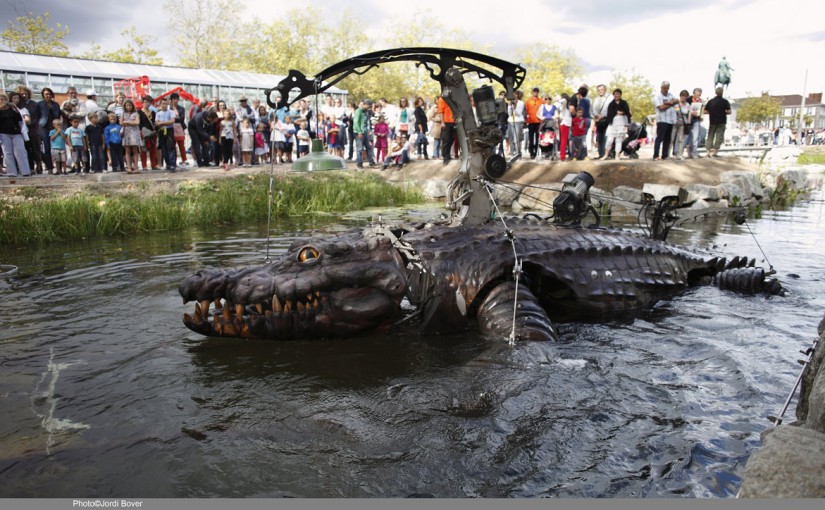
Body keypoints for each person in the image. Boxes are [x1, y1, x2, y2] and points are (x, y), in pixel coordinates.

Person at [0, 93, 30, 177]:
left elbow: (19, 119)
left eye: (4, 99)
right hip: (4, 134)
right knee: (7, 153)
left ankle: (25, 171)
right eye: (1, 99)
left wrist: (15, 108)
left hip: (16, 133)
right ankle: (11, 172)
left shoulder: (12, 109)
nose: (3, 101)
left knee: (20, 151)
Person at [37, 87, 61, 173]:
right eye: (46, 94)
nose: (48, 95)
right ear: (43, 95)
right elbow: (37, 116)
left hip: (54, 127)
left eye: (49, 94)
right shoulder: (40, 104)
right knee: (46, 148)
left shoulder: (55, 104)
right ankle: (49, 167)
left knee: (57, 147)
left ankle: (59, 169)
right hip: (43, 127)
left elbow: (58, 115)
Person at [703, 86, 731, 158]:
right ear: (722, 93)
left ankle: (708, 153)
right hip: (721, 121)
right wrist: (724, 112)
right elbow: (729, 111)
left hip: (712, 121)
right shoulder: (725, 101)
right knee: (719, 137)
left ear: (715, 92)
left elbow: (705, 111)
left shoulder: (711, 101)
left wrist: (711, 112)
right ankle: (715, 153)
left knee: (710, 136)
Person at [604, 88, 631, 159]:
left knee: (619, 140)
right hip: (612, 124)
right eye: (615, 94)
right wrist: (617, 112)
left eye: (618, 94)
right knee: (610, 139)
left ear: (620, 95)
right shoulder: (611, 104)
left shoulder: (624, 103)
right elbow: (609, 114)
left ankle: (617, 155)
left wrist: (622, 113)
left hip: (621, 123)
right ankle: (606, 155)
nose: (617, 95)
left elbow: (627, 112)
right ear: (613, 95)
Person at [653, 81, 677, 160]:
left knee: (668, 139)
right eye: (664, 88)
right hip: (662, 120)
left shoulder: (671, 95)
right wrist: (671, 103)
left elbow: (676, 102)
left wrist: (670, 103)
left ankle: (665, 155)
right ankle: (656, 155)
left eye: (667, 88)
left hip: (670, 120)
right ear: (661, 87)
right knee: (660, 138)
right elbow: (661, 107)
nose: (666, 90)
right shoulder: (657, 96)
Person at [154, 98, 177, 172]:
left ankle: (173, 164)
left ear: (168, 104)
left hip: (169, 130)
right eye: (163, 104)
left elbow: (172, 121)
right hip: (161, 131)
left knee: (171, 147)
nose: (164, 105)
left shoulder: (171, 112)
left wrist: (162, 123)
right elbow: (157, 123)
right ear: (160, 104)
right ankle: (168, 164)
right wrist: (165, 122)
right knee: (163, 148)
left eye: (165, 104)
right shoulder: (158, 113)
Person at [353, 100, 376, 168]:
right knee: (360, 148)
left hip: (365, 132)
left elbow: (367, 122)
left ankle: (371, 162)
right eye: (369, 106)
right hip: (359, 132)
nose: (370, 107)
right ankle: (359, 163)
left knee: (369, 147)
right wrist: (359, 132)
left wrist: (369, 130)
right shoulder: (358, 111)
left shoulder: (366, 112)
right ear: (365, 104)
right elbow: (356, 122)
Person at [121, 100, 142, 173]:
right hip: (127, 133)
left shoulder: (136, 113)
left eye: (130, 105)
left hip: (134, 133)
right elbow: (121, 123)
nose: (128, 107)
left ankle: (136, 167)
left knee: (135, 150)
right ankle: (129, 167)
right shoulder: (123, 114)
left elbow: (137, 122)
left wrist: (127, 122)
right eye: (127, 105)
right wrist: (131, 123)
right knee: (127, 151)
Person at [138, 96, 158, 170]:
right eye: (146, 102)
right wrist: (144, 131)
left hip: (152, 132)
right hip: (144, 133)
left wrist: (155, 130)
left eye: (149, 102)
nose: (147, 104)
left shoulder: (153, 112)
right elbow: (139, 124)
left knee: (153, 149)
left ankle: (154, 165)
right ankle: (144, 166)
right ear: (142, 103)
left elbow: (155, 122)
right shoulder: (139, 112)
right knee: (143, 149)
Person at [169, 93, 188, 167]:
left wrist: (173, 119)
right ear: (171, 100)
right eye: (173, 99)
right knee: (172, 146)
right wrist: (174, 119)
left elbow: (182, 118)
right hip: (171, 129)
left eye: (176, 99)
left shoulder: (181, 108)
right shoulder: (169, 109)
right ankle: (174, 161)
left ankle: (184, 161)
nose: (175, 101)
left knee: (181, 146)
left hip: (180, 128)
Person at [591, 84, 610, 159]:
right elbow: (593, 110)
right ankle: (601, 154)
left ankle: (606, 154)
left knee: (606, 137)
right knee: (599, 137)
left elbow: (610, 109)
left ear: (605, 90)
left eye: (602, 90)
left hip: (606, 119)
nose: (600, 91)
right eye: (599, 90)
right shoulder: (596, 99)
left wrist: (603, 115)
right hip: (598, 120)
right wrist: (597, 115)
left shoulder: (609, 98)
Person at [671, 90, 691, 159]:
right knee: (671, 139)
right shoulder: (676, 104)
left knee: (681, 140)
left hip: (683, 124)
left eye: (685, 96)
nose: (684, 98)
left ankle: (680, 154)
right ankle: (667, 154)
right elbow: (674, 112)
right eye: (683, 96)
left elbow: (689, 114)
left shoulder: (688, 105)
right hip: (674, 123)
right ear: (680, 96)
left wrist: (688, 122)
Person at [524, 87, 543, 159]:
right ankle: (531, 152)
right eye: (534, 91)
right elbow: (526, 111)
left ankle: (537, 151)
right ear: (532, 92)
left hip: (539, 122)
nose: (535, 92)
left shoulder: (541, 101)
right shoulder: (528, 101)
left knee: (538, 138)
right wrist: (526, 121)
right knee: (531, 138)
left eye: (537, 91)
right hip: (531, 122)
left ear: (538, 92)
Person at [437, 95, 456, 164]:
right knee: (446, 139)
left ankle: (448, 155)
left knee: (451, 139)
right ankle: (445, 157)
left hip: (454, 121)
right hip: (446, 122)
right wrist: (442, 122)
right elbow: (440, 111)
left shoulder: (453, 98)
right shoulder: (442, 99)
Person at [686, 88, 703, 158]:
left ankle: (694, 152)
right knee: (688, 137)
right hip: (689, 119)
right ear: (694, 94)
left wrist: (701, 116)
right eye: (697, 95)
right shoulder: (689, 99)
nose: (698, 96)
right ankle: (689, 153)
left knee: (695, 137)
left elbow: (702, 110)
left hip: (696, 119)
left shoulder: (700, 101)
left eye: (699, 95)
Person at [557, 93, 572, 161]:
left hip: (566, 124)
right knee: (564, 141)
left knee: (564, 140)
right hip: (565, 124)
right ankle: (562, 156)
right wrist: (559, 99)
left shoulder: (566, 108)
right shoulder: (564, 107)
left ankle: (563, 155)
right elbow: (563, 101)